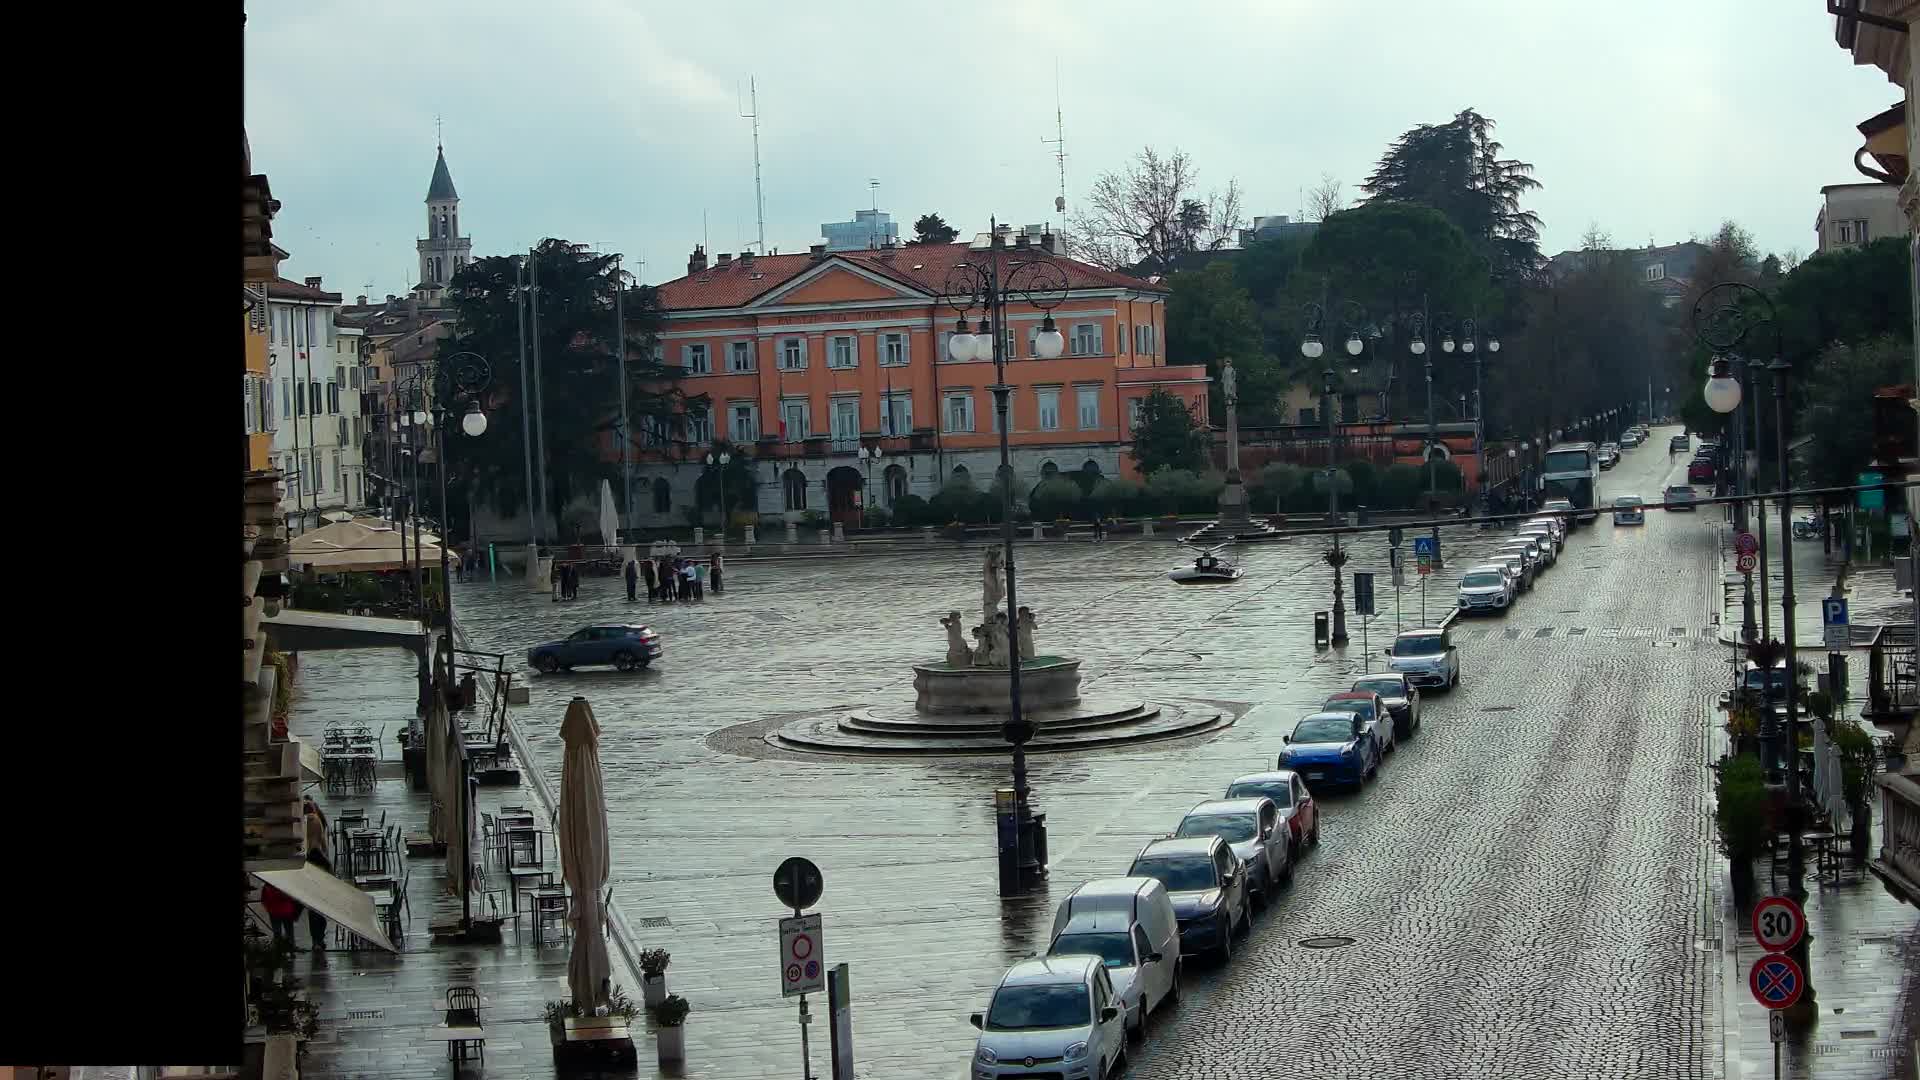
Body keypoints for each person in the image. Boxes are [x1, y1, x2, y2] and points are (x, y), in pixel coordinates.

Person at [303, 799, 332, 951]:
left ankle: (316, 941)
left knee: (312, 910)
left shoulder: (303, 821)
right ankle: (319, 939)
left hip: (307, 867)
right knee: (320, 910)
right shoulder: (317, 821)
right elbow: (321, 844)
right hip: (318, 862)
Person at [261, 882, 302, 949]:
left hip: (274, 911)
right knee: (289, 932)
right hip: (287, 911)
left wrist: (268, 908)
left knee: (277, 932)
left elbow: (263, 899)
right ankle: (291, 948)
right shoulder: (286, 884)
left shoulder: (267, 886)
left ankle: (278, 948)